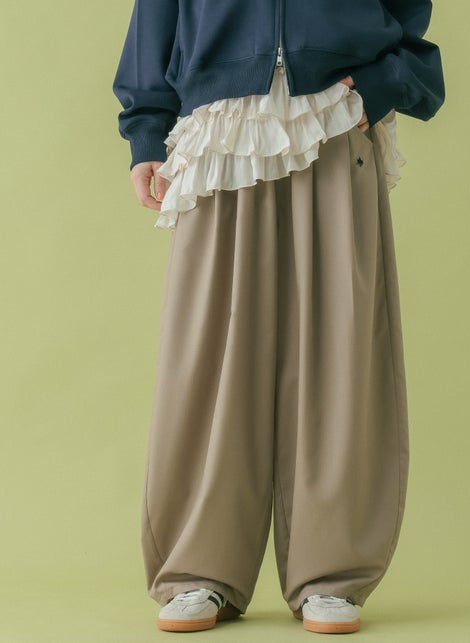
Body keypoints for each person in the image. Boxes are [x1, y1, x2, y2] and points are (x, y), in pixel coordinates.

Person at [112, 0, 445, 634]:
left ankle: (331, 571)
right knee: (210, 358)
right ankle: (199, 569)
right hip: (220, 128)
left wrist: (383, 82)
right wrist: (146, 132)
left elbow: (407, 14)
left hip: (335, 115)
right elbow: (157, 14)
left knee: (340, 348)